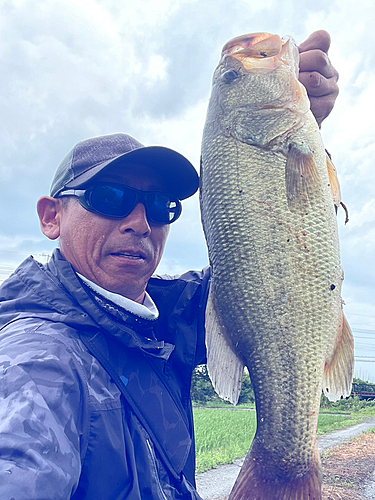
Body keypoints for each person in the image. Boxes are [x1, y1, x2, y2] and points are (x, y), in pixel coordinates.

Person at [0, 30, 339, 500]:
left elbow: (266, 273)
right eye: (111, 197)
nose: (140, 221)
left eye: (161, 206)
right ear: (51, 216)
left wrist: (306, 134)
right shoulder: (35, 360)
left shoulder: (159, 318)